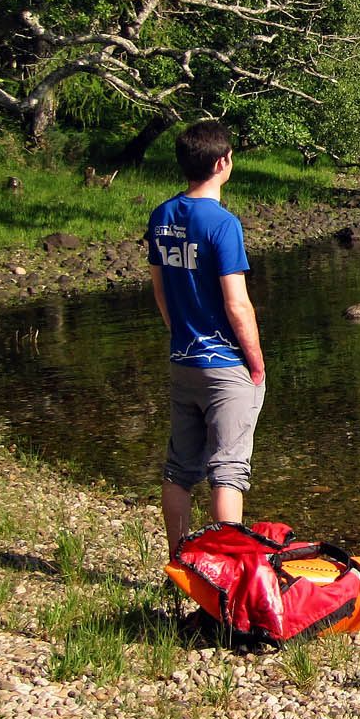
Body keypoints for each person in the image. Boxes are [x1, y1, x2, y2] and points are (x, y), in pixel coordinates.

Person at [147, 120, 266, 557]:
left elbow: (160, 290)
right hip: (223, 365)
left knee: (180, 470)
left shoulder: (162, 215)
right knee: (228, 471)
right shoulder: (223, 224)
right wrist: (255, 362)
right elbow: (237, 304)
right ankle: (229, 572)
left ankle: (180, 563)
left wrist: (179, 335)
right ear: (222, 163)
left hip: (183, 360)